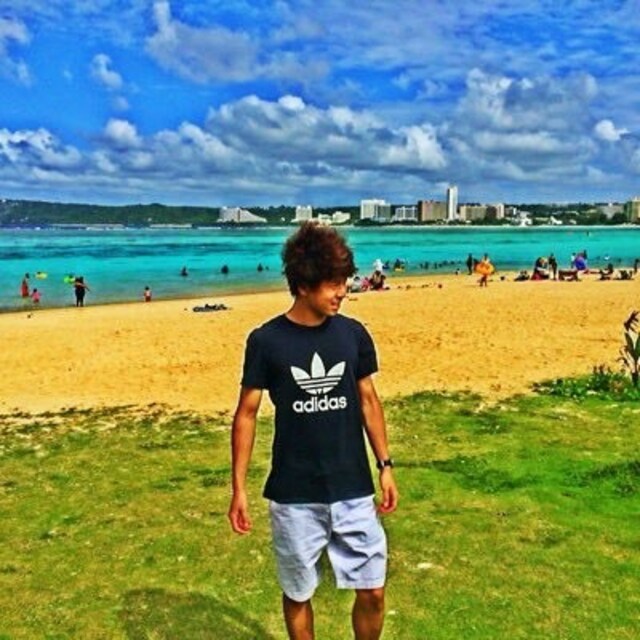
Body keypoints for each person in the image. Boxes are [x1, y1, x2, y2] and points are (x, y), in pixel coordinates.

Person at [229, 221, 398, 640]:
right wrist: (239, 488)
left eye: (345, 280)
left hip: (352, 487)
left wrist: (385, 465)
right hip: (294, 494)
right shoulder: (266, 341)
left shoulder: (353, 334)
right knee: (298, 592)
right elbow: (246, 414)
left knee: (373, 591)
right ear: (303, 285)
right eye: (332, 283)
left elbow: (368, 400)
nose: (343, 291)